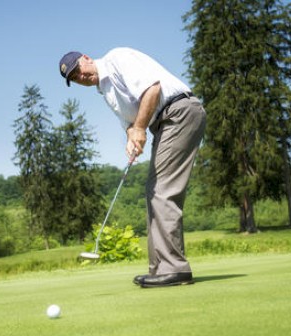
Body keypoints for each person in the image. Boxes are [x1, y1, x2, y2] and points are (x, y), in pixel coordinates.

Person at [59, 47, 206, 288]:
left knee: (162, 191)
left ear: (86, 58)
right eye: (74, 78)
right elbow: (129, 122)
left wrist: (139, 129)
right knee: (153, 191)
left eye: (78, 70)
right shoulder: (105, 91)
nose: (80, 77)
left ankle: (174, 269)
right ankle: (160, 268)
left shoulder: (117, 59)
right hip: (164, 123)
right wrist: (132, 136)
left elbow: (152, 88)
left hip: (179, 112)